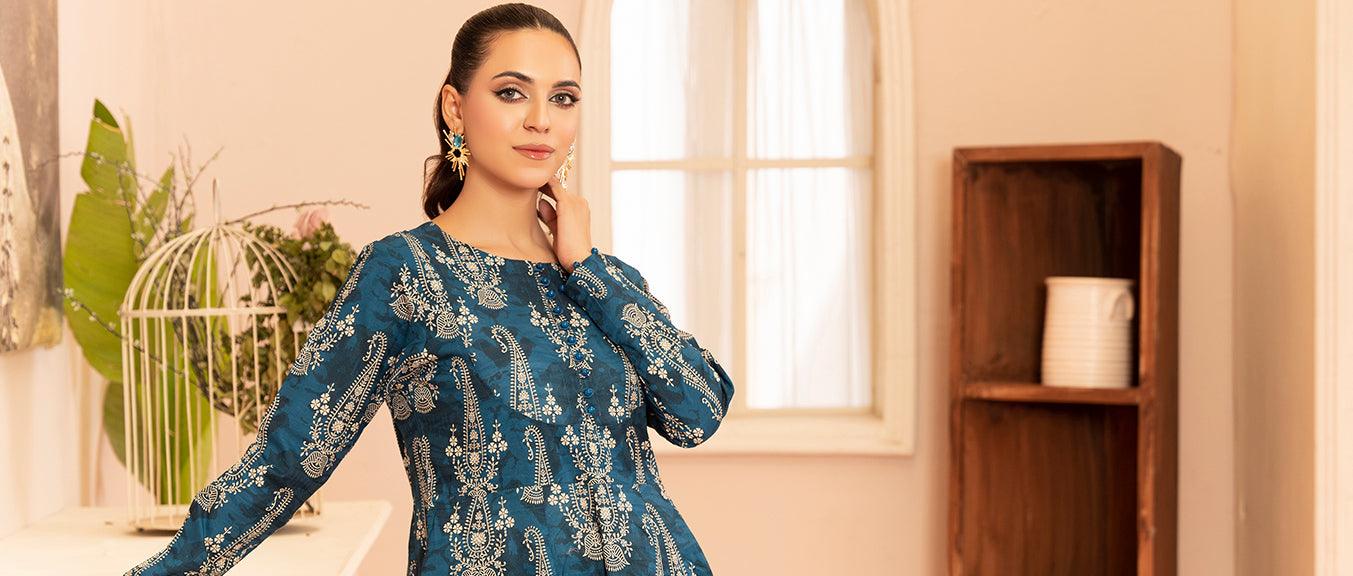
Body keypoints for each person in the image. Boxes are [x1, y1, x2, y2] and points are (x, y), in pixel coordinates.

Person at [125, 3, 734, 575]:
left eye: (563, 98)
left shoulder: (602, 280)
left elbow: (699, 412)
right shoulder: (404, 273)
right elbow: (287, 461)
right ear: (455, 108)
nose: (541, 119)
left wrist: (589, 271)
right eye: (512, 92)